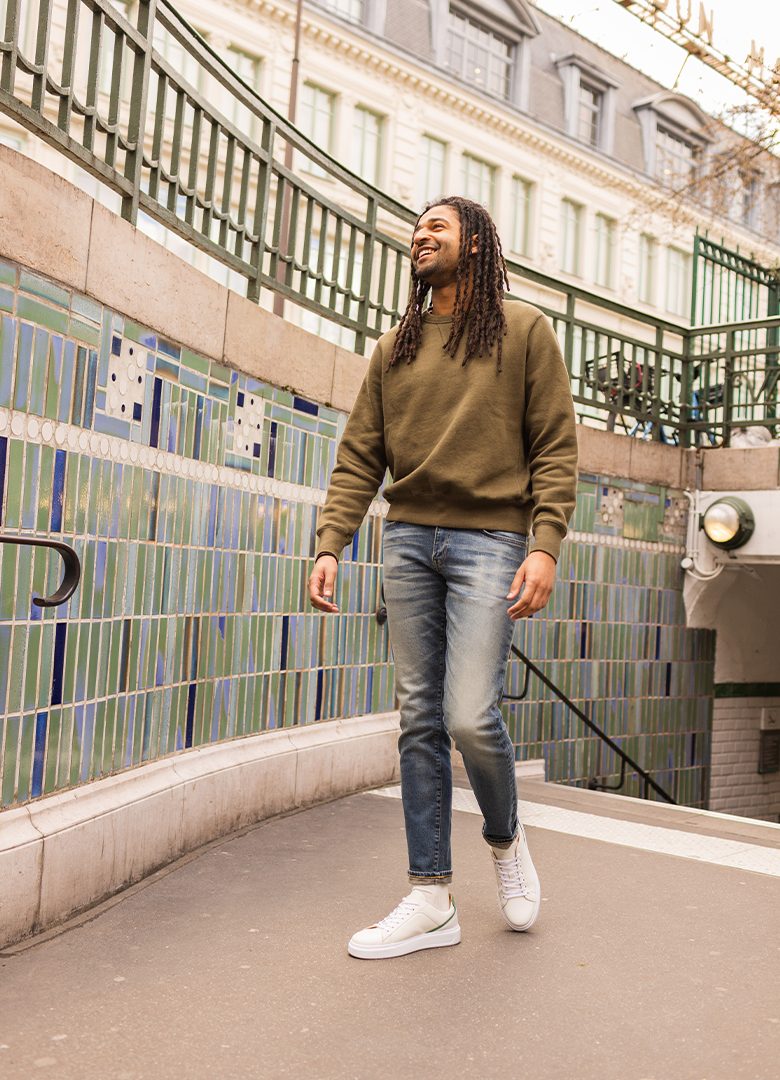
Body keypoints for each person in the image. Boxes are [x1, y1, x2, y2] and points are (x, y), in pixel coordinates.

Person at [308, 195, 578, 960]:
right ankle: (431, 896)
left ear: (477, 243)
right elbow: (361, 454)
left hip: (491, 541)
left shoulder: (525, 332)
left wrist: (546, 545)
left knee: (467, 714)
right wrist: (333, 542)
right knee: (419, 720)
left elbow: (555, 447)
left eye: (438, 226)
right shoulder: (392, 346)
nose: (421, 235)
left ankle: (505, 838)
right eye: (417, 227)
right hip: (407, 543)